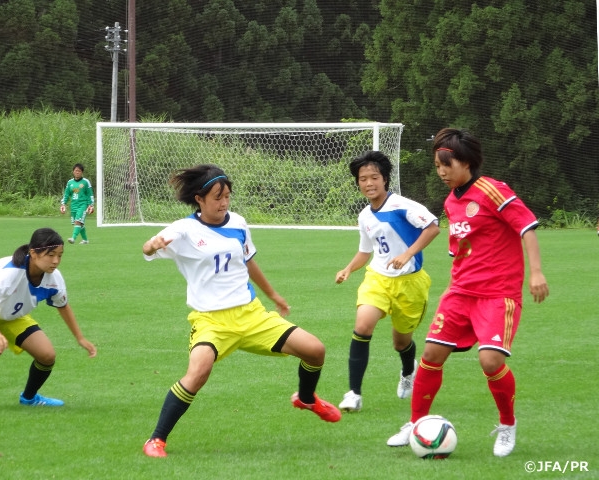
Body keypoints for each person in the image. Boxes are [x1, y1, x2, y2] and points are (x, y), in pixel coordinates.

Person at [140, 164, 341, 458]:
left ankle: (307, 399)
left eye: (227, 196)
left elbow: (248, 262)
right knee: (198, 373)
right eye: (217, 197)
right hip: (210, 321)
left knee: (315, 350)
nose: (223, 203)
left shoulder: (238, 223)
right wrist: (151, 245)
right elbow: (148, 248)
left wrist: (273, 294)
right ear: (199, 198)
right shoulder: (183, 230)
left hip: (251, 315)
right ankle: (156, 440)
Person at [386, 128, 549, 457]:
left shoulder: (492, 190)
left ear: (467, 162)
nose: (442, 172)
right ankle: (416, 424)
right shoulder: (451, 201)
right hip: (460, 292)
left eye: (447, 164)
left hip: (497, 294)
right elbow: (459, 251)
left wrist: (537, 272)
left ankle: (507, 425)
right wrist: (452, 288)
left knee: (489, 360)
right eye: (437, 166)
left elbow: (527, 226)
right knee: (431, 355)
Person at [335, 151, 440, 412]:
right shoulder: (365, 216)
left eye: (374, 177)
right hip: (378, 279)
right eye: (363, 179)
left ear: (385, 179)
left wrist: (407, 254)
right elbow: (365, 251)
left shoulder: (403, 205)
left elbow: (433, 227)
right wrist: (348, 268)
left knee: (400, 342)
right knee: (363, 326)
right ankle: (354, 394)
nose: (369, 183)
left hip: (410, 283)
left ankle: (408, 370)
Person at [0, 228, 97, 412]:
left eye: (59, 255)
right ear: (33, 253)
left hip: (10, 315)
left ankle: (29, 398)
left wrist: (80, 338)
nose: (56, 261)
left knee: (47, 355)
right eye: (50, 255)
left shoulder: (54, 278)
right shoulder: (11, 272)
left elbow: (63, 306)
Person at [60, 163, 95, 244]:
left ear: (82, 172)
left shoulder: (86, 182)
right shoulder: (70, 182)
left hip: (83, 205)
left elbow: (90, 194)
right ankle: (85, 240)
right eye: (76, 171)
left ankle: (73, 238)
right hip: (74, 205)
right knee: (79, 224)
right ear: (73, 172)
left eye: (79, 171)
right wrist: (63, 203)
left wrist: (91, 204)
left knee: (78, 221)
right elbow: (66, 194)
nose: (77, 172)